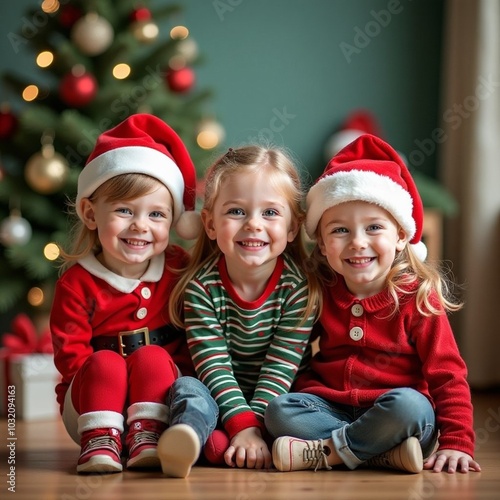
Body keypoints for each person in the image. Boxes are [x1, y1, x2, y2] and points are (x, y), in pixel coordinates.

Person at [265, 134, 481, 475]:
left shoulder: (417, 297)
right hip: (331, 408)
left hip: (396, 412)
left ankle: (329, 453)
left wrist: (457, 442)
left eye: (374, 227)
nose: (358, 243)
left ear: (400, 236)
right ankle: (380, 454)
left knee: (411, 405)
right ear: (321, 243)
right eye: (340, 231)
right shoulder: (320, 289)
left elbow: (447, 374)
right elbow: (294, 356)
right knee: (279, 410)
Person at [50, 114, 218, 477]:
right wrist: (105, 396)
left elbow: (196, 333)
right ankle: (101, 443)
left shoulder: (176, 268)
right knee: (107, 363)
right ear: (90, 213)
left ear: (173, 220)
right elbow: (71, 355)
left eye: (156, 214)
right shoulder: (77, 283)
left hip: (161, 396)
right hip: (92, 405)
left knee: (153, 357)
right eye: (124, 210)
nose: (140, 225)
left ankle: (150, 438)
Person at [168, 145, 321, 469]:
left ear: (293, 227)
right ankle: (192, 437)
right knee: (186, 387)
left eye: (270, 212)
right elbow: (214, 366)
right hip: (219, 393)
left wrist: (253, 426)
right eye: (236, 211)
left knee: (300, 405)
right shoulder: (201, 288)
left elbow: (281, 367)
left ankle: (232, 442)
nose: (253, 224)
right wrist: (243, 425)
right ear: (209, 224)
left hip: (280, 399)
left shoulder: (298, 289)